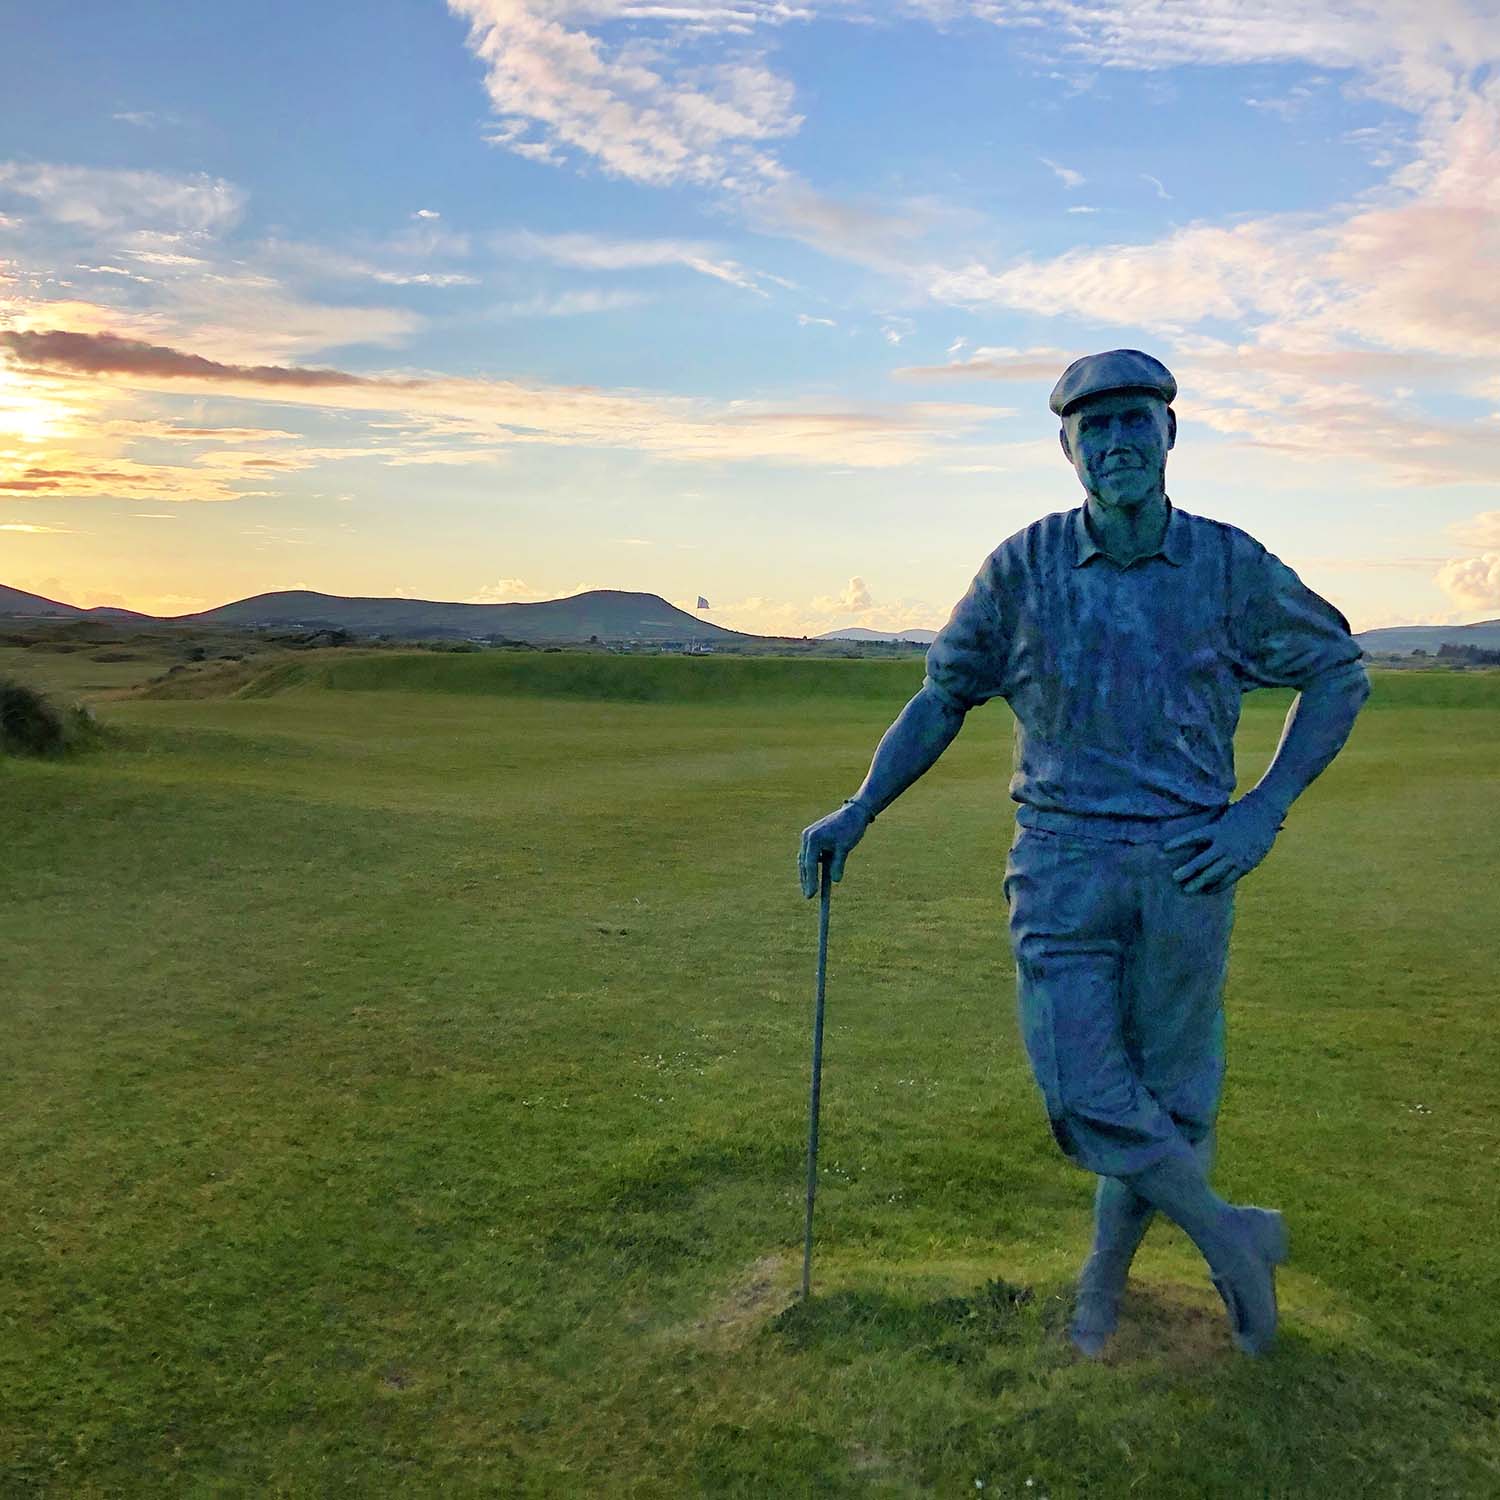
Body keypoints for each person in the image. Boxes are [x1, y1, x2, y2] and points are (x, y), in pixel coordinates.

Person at [796, 349, 1369, 1357]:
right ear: (1067, 449)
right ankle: (1232, 1238)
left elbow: (1337, 670)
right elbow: (944, 698)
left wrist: (1262, 810)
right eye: (1091, 429)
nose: (1115, 444)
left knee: (1176, 1095)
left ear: (1169, 434)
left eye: (1133, 422)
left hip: (1187, 866)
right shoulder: (1024, 569)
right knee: (1081, 1089)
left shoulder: (1230, 566)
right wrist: (860, 807)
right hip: (1060, 865)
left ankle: (1103, 1283)